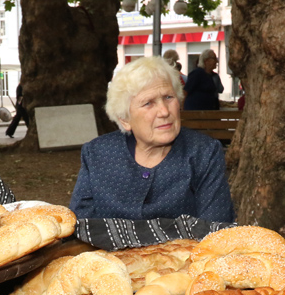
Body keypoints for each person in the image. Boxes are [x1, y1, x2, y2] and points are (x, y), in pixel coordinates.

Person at [69, 56, 234, 222]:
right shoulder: (98, 154)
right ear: (125, 119)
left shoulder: (204, 153)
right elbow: (80, 227)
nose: (164, 111)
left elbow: (215, 229)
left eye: (169, 97)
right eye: (148, 103)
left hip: (185, 248)